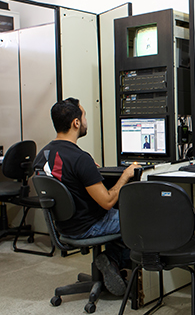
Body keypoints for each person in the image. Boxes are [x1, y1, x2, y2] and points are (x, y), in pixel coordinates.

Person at [33, 97, 139, 297]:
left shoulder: (43, 155)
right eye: (84, 116)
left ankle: (111, 263)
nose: (85, 121)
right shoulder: (80, 159)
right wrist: (125, 175)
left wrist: (88, 174)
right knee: (138, 217)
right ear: (76, 123)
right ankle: (113, 259)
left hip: (64, 227)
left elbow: (64, 181)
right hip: (89, 226)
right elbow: (107, 201)